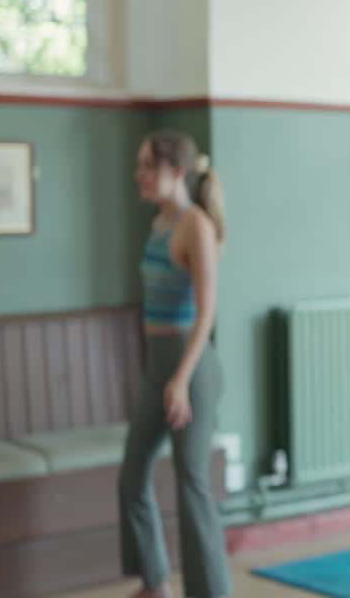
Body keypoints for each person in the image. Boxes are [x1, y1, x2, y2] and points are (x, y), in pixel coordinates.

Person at [119, 130, 232, 598]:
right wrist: (161, 376)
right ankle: (155, 582)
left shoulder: (196, 225)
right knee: (133, 474)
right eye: (140, 165)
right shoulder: (159, 223)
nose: (139, 175)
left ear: (177, 172)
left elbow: (207, 312)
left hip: (193, 368)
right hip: (159, 367)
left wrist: (181, 381)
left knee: (191, 480)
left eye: (148, 166)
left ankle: (210, 593)